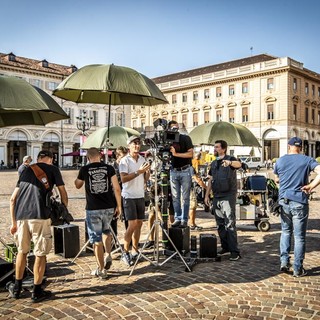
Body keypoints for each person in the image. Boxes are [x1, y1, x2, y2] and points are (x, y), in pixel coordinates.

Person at [9, 150, 68, 302]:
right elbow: (62, 192)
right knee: (40, 253)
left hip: (22, 217)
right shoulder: (53, 169)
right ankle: (37, 291)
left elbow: (12, 199)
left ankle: (17, 288)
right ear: (51, 159)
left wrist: (13, 222)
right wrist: (64, 210)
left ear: (38, 158)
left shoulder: (26, 170)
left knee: (21, 252)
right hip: (40, 216)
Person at [274, 137, 320, 277]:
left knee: (285, 232)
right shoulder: (307, 160)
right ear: (301, 147)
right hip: (299, 200)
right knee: (299, 237)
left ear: (289, 146)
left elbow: (276, 179)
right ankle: (297, 268)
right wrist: (311, 185)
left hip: (284, 201)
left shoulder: (280, 160)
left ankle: (284, 261)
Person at [74, 147, 122, 279]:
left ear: (88, 157)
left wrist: (80, 177)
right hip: (108, 207)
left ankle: (101, 269)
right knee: (107, 231)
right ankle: (108, 253)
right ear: (100, 156)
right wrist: (119, 206)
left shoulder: (85, 169)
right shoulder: (109, 168)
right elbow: (117, 188)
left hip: (93, 208)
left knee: (96, 239)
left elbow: (77, 185)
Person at [204, 140, 242, 261]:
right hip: (217, 196)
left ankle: (234, 251)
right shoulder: (214, 163)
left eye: (217, 147)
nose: (214, 149)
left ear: (223, 149)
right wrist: (206, 195)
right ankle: (225, 247)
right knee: (220, 224)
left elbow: (239, 165)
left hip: (228, 195)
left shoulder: (230, 159)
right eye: (214, 147)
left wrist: (230, 162)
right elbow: (210, 180)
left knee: (230, 223)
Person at [119, 135, 151, 266]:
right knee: (131, 225)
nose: (137, 146)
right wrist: (139, 172)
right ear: (129, 146)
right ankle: (125, 252)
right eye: (134, 143)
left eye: (138, 144)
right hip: (128, 196)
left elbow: (145, 179)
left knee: (139, 224)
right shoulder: (124, 161)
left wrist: (147, 172)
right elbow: (123, 179)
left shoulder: (142, 159)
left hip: (139, 195)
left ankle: (135, 251)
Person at [168, 120, 194, 228]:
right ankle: (177, 218)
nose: (175, 130)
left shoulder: (185, 138)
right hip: (173, 170)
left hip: (185, 170)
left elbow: (190, 154)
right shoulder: (167, 140)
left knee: (185, 197)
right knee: (175, 197)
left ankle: (184, 219)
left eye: (176, 128)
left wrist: (176, 154)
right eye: (172, 128)